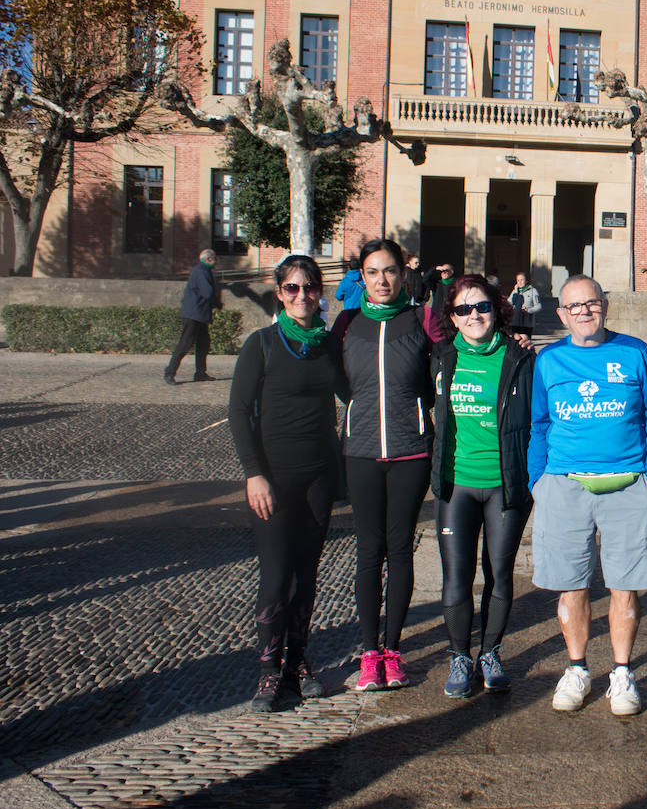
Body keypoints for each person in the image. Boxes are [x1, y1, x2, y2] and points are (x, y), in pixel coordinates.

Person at [528, 275, 647, 715]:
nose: (585, 311)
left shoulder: (633, 351)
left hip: (628, 484)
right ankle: (577, 669)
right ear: (562, 314)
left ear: (605, 305)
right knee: (571, 584)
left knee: (626, 585)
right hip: (564, 484)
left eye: (592, 303)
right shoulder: (548, 360)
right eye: (575, 306)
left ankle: (622, 673)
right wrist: (539, 480)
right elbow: (539, 424)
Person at [228, 255, 347, 713]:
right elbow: (239, 412)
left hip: (319, 477)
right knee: (275, 578)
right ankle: (267, 669)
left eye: (309, 287)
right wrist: (253, 473)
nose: (302, 296)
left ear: (319, 292)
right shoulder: (261, 345)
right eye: (292, 288)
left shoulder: (327, 345)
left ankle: (298, 662)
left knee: (306, 576)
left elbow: (357, 391)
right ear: (279, 293)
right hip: (273, 480)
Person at [335, 238, 445, 692]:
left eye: (390, 271)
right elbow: (337, 379)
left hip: (410, 450)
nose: (382, 280)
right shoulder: (346, 322)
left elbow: (456, 355)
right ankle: (369, 652)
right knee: (367, 551)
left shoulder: (421, 317)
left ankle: (394, 650)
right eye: (373, 272)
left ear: (404, 274)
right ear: (362, 277)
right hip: (360, 451)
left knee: (399, 550)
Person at [430, 274, 535, 699]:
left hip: (504, 484)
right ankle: (460, 655)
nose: (474, 315)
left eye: (482, 306)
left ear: (497, 308)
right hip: (457, 484)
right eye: (463, 309)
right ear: (452, 318)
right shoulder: (439, 357)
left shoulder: (520, 357)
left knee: (500, 573)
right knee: (457, 577)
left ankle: (490, 652)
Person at [165, 249, 220, 384]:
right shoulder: (202, 271)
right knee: (185, 344)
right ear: (209, 259)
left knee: (203, 344)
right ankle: (169, 373)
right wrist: (217, 303)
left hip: (198, 314)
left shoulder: (201, 270)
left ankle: (200, 373)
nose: (216, 262)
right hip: (194, 315)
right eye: (214, 259)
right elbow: (207, 292)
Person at [508, 271, 543, 337]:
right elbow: (508, 303)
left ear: (526, 281)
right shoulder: (514, 291)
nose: (520, 282)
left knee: (525, 343)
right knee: (515, 343)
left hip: (527, 323)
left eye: (522, 280)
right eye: (518, 280)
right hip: (515, 322)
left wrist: (528, 310)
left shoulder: (533, 291)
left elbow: (538, 306)